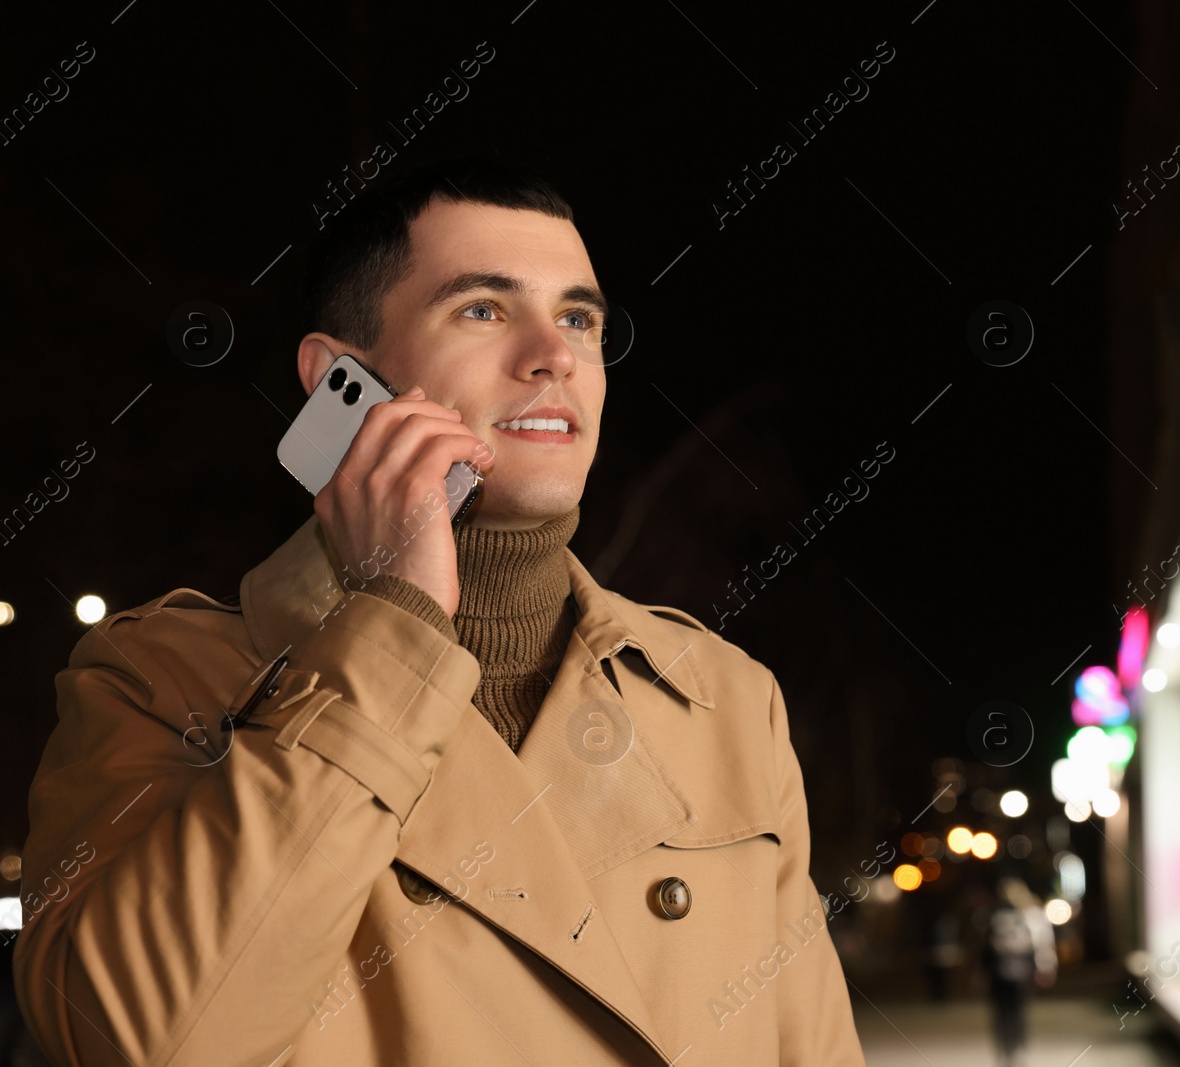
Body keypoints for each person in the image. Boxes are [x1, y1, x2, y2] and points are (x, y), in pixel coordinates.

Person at [12, 157, 865, 1066]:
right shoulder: (159, 681)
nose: (554, 354)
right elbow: (151, 1043)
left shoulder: (726, 699)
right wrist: (397, 616)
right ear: (341, 380)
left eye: (579, 317)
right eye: (484, 309)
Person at [981, 877, 1058, 1067]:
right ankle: (1010, 1049)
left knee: (1012, 1013)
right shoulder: (999, 914)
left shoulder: (1027, 914)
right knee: (1010, 1013)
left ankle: (1013, 1049)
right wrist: (1046, 966)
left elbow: (1040, 942)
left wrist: (1045, 965)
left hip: (1013, 971)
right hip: (1009, 972)